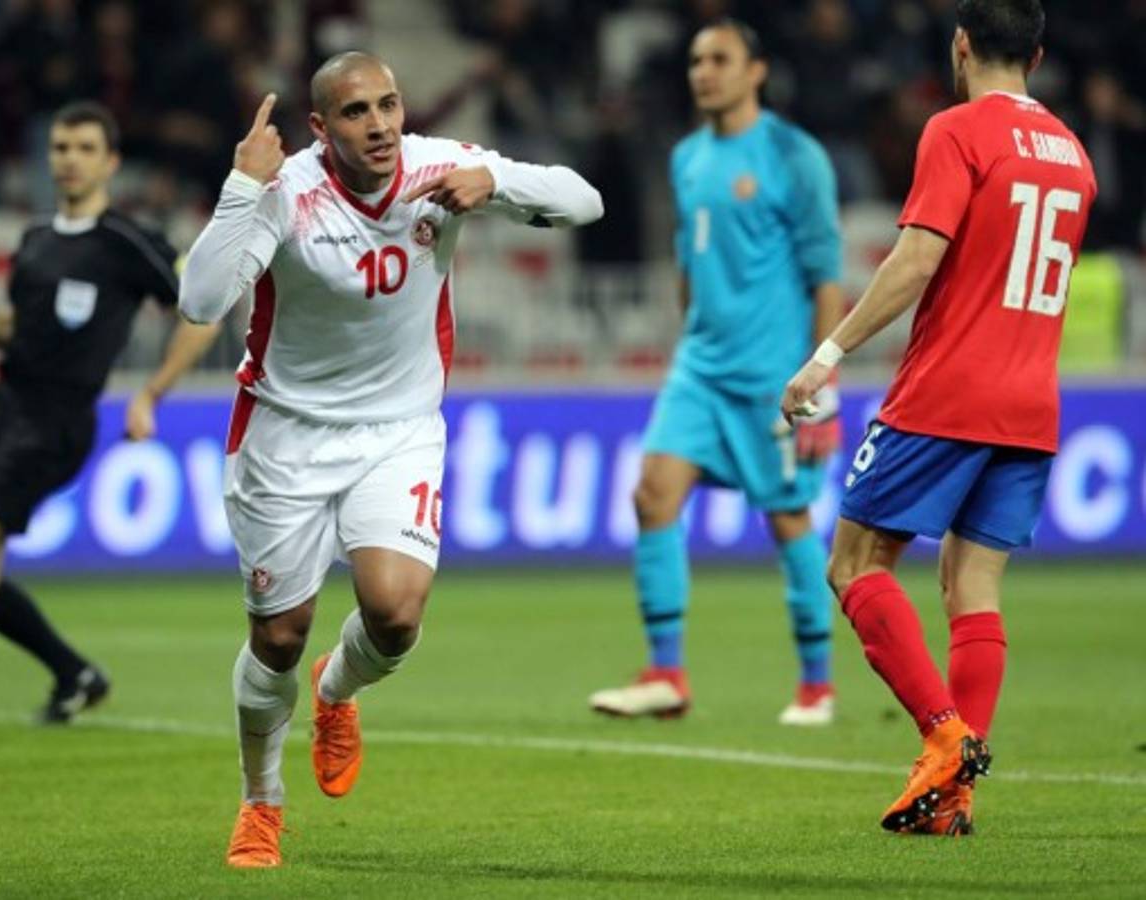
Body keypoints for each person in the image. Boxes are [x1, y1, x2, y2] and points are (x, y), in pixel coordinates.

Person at [178, 51, 602, 869]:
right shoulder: (286, 192)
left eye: (388, 105)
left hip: (399, 430)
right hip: (286, 436)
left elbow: (586, 200)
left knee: (396, 615)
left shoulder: (439, 165)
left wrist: (496, 182)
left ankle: (335, 691)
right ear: (320, 127)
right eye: (355, 112)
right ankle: (261, 803)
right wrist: (241, 185)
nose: (378, 126)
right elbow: (199, 302)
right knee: (278, 637)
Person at [782, 0, 1095, 835]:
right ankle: (953, 796)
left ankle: (944, 738)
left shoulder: (956, 130)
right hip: (1030, 400)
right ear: (1036, 56)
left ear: (960, 45)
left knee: (853, 564)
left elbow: (918, 258)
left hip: (949, 389)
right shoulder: (1073, 153)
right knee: (971, 584)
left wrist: (827, 353)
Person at [588, 19, 845, 725]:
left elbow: (826, 276)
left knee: (788, 518)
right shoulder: (687, 157)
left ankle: (816, 684)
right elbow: (687, 259)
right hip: (699, 368)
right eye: (697, 60)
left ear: (755, 71)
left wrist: (821, 380)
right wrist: (691, 331)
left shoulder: (794, 156)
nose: (703, 71)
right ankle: (665, 672)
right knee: (652, 496)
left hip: (773, 378)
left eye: (720, 59)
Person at [0, 101, 220, 723]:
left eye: (85, 149)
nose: (70, 160)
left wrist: (152, 393)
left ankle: (76, 675)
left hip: (54, 424)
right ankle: (75, 674)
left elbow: (204, 315)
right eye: (61, 148)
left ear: (111, 162)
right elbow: (23, 330)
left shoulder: (125, 242)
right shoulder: (35, 240)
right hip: (3, 411)